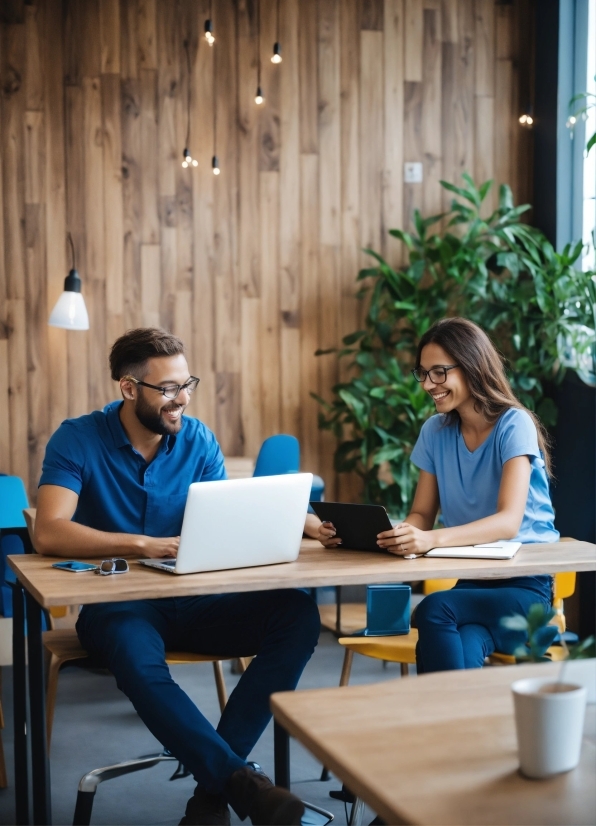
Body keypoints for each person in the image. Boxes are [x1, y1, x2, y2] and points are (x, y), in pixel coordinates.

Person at [35, 327, 322, 826]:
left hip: (195, 597)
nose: (182, 398)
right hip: (121, 604)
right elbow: (49, 532)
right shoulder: (78, 438)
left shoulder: (197, 438)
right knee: (132, 651)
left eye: (186, 383)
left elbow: (226, 517)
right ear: (128, 388)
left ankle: (218, 790)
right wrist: (142, 544)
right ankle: (239, 784)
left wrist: (308, 522)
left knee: (296, 612)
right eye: (168, 388)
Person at [319, 317, 559, 672]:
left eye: (439, 372)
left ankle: (435, 723)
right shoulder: (435, 431)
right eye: (423, 373)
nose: (428, 384)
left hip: (527, 589)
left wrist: (428, 540)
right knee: (465, 641)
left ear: (473, 367)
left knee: (434, 609)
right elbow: (421, 515)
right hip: (473, 581)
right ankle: (458, 725)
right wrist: (395, 533)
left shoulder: (514, 424)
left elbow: (509, 522)